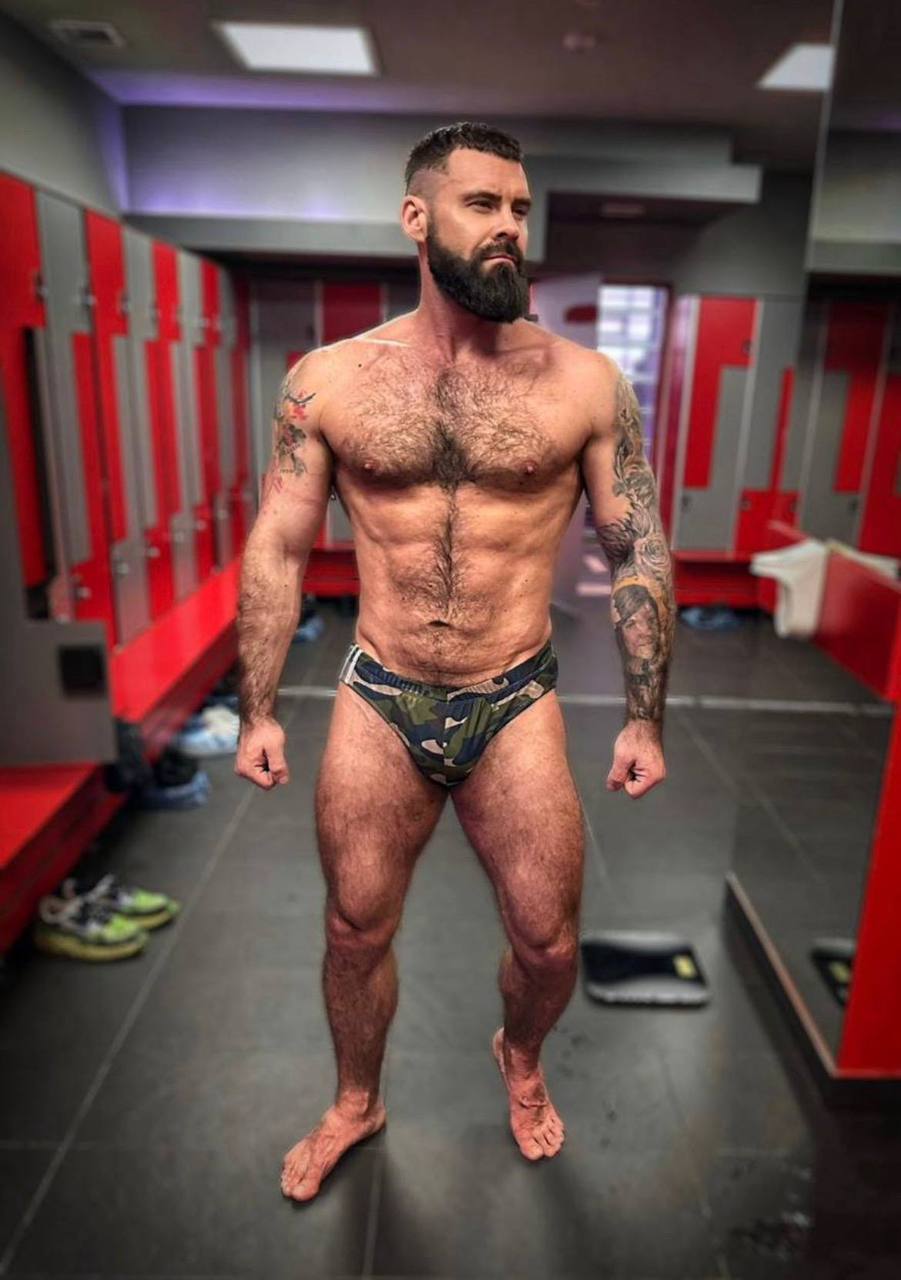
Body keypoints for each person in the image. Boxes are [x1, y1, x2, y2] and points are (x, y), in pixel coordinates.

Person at [234, 121, 675, 1202]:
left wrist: (643, 716)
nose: (509, 227)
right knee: (353, 927)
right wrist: (257, 709)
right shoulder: (329, 380)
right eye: (483, 204)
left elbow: (635, 547)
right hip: (379, 695)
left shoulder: (584, 383)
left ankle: (518, 1055)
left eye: (520, 208)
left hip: (512, 696)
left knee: (549, 945)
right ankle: (356, 1100)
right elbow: (277, 545)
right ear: (417, 219)